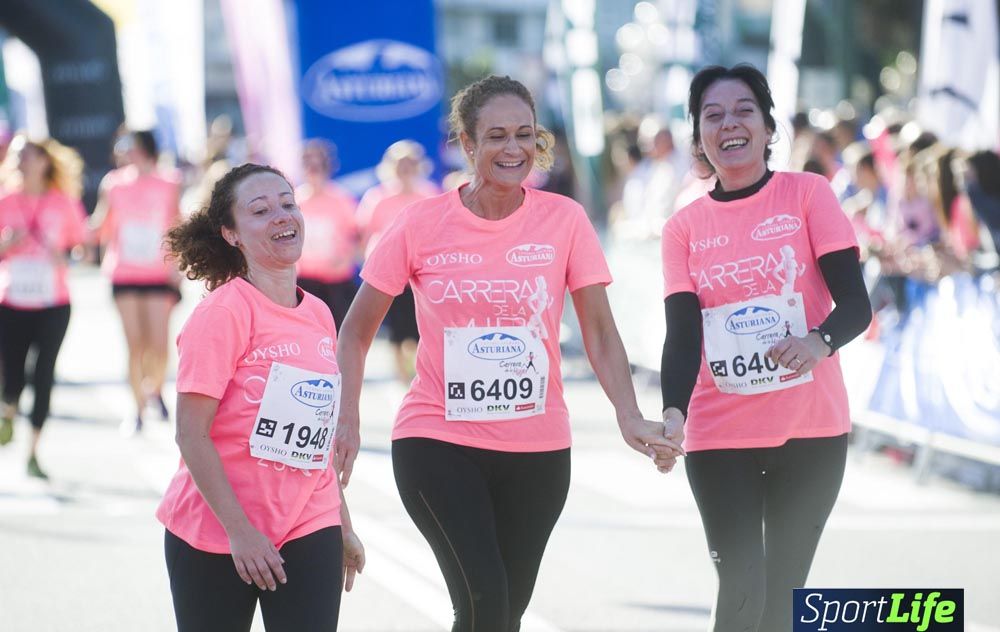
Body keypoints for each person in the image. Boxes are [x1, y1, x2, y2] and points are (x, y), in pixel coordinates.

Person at [335, 75, 682, 632]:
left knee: (502, 615)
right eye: (496, 136)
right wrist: (347, 419)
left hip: (538, 448)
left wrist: (628, 414)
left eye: (524, 134)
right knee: (487, 601)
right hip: (437, 439)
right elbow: (354, 333)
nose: (513, 148)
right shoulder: (420, 223)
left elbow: (598, 329)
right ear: (467, 144)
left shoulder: (564, 219)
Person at [659, 64, 872, 632]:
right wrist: (673, 414)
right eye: (713, 115)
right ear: (698, 136)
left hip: (811, 430)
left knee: (783, 596)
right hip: (720, 432)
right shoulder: (683, 228)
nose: (729, 123)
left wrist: (818, 342)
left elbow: (856, 305)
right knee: (742, 585)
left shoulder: (808, 194)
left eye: (744, 111)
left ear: (768, 127)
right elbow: (683, 335)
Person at [157, 163, 364, 631]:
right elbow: (191, 434)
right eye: (260, 210)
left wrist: (342, 524)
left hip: (307, 523)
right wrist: (240, 532)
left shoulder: (319, 313)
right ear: (231, 234)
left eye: (288, 204)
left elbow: (313, 437)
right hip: (215, 531)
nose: (281, 215)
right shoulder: (223, 313)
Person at [0, 135, 88, 478]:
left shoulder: (63, 203)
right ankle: (8, 410)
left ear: (44, 161)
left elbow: (83, 250)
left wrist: (64, 256)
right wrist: (6, 244)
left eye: (26, 155)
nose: (19, 161)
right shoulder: (5, 200)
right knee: (12, 373)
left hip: (54, 303)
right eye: (16, 156)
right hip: (12, 301)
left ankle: (33, 451)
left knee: (43, 372)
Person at [92, 130, 182, 433]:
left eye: (128, 144)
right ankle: (137, 409)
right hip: (124, 271)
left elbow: (178, 223)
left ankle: (153, 388)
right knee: (134, 344)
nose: (122, 149)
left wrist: (179, 264)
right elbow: (102, 223)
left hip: (159, 272)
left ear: (143, 147)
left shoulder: (170, 181)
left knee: (159, 344)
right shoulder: (113, 183)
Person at [355, 140, 439, 382]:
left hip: (422, 271)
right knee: (396, 326)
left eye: (410, 163)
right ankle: (402, 375)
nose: (405, 169)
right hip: (388, 273)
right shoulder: (377, 198)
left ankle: (418, 372)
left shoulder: (429, 195)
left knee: (421, 324)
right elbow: (365, 233)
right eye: (400, 164)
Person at [295, 139, 359, 329]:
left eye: (318, 165)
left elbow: (356, 236)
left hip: (336, 281)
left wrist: (346, 260)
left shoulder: (341, 199)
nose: (313, 169)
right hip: (303, 280)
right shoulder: (295, 199)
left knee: (337, 332)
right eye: (308, 163)